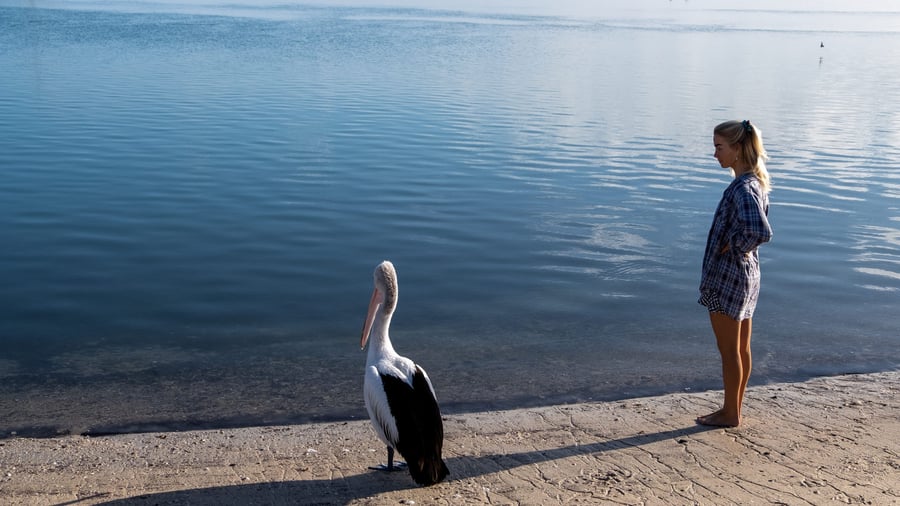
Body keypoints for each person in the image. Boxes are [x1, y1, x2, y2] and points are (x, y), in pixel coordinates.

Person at [697, 119, 773, 427]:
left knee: (730, 351)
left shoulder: (742, 188)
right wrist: (739, 245)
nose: (715, 154)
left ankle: (730, 413)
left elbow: (759, 231)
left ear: (737, 149)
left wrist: (733, 244)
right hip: (746, 276)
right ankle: (733, 409)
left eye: (719, 147)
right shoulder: (755, 181)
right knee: (741, 348)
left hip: (728, 278)